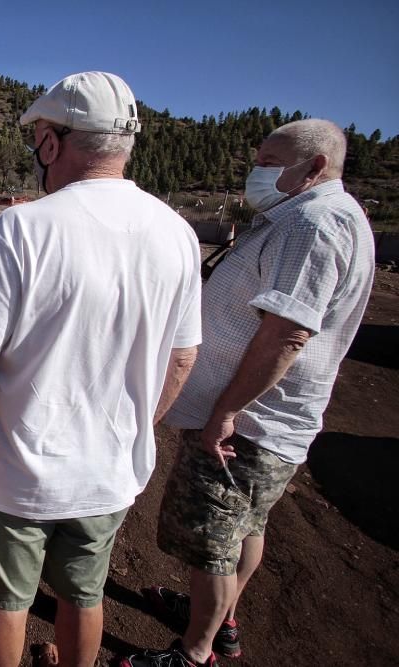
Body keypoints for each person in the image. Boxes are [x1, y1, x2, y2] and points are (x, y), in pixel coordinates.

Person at [0, 71, 202, 667]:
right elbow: (182, 357)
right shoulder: (179, 234)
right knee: (83, 593)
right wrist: (140, 424)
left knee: (5, 601)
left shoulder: (19, 231)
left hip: (17, 469)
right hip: (110, 469)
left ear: (53, 143)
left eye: (39, 139)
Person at [122, 119, 376, 667]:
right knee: (246, 525)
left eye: (269, 161)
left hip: (249, 423)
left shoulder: (313, 223)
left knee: (213, 536)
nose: (256, 171)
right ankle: (220, 618)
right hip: (266, 420)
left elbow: (288, 331)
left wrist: (226, 410)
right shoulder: (311, 216)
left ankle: (195, 651)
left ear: (314, 167)